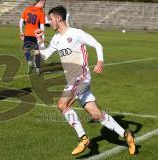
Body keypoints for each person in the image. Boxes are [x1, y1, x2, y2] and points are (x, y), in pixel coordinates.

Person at [35, 6, 136, 156]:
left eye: (50, 19)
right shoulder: (56, 39)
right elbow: (44, 56)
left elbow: (97, 44)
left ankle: (83, 138)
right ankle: (127, 135)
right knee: (97, 115)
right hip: (72, 80)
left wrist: (100, 62)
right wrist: (39, 41)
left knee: (62, 105)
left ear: (58, 19)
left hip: (81, 77)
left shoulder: (76, 33)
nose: (49, 22)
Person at [19, 0, 46, 75]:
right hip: (36, 35)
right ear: (41, 1)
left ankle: (29, 62)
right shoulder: (41, 12)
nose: (44, 5)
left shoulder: (27, 9)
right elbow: (42, 26)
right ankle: (37, 70)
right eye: (44, 3)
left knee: (26, 50)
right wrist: (42, 36)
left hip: (27, 34)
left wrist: (21, 31)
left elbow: (21, 20)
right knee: (37, 52)